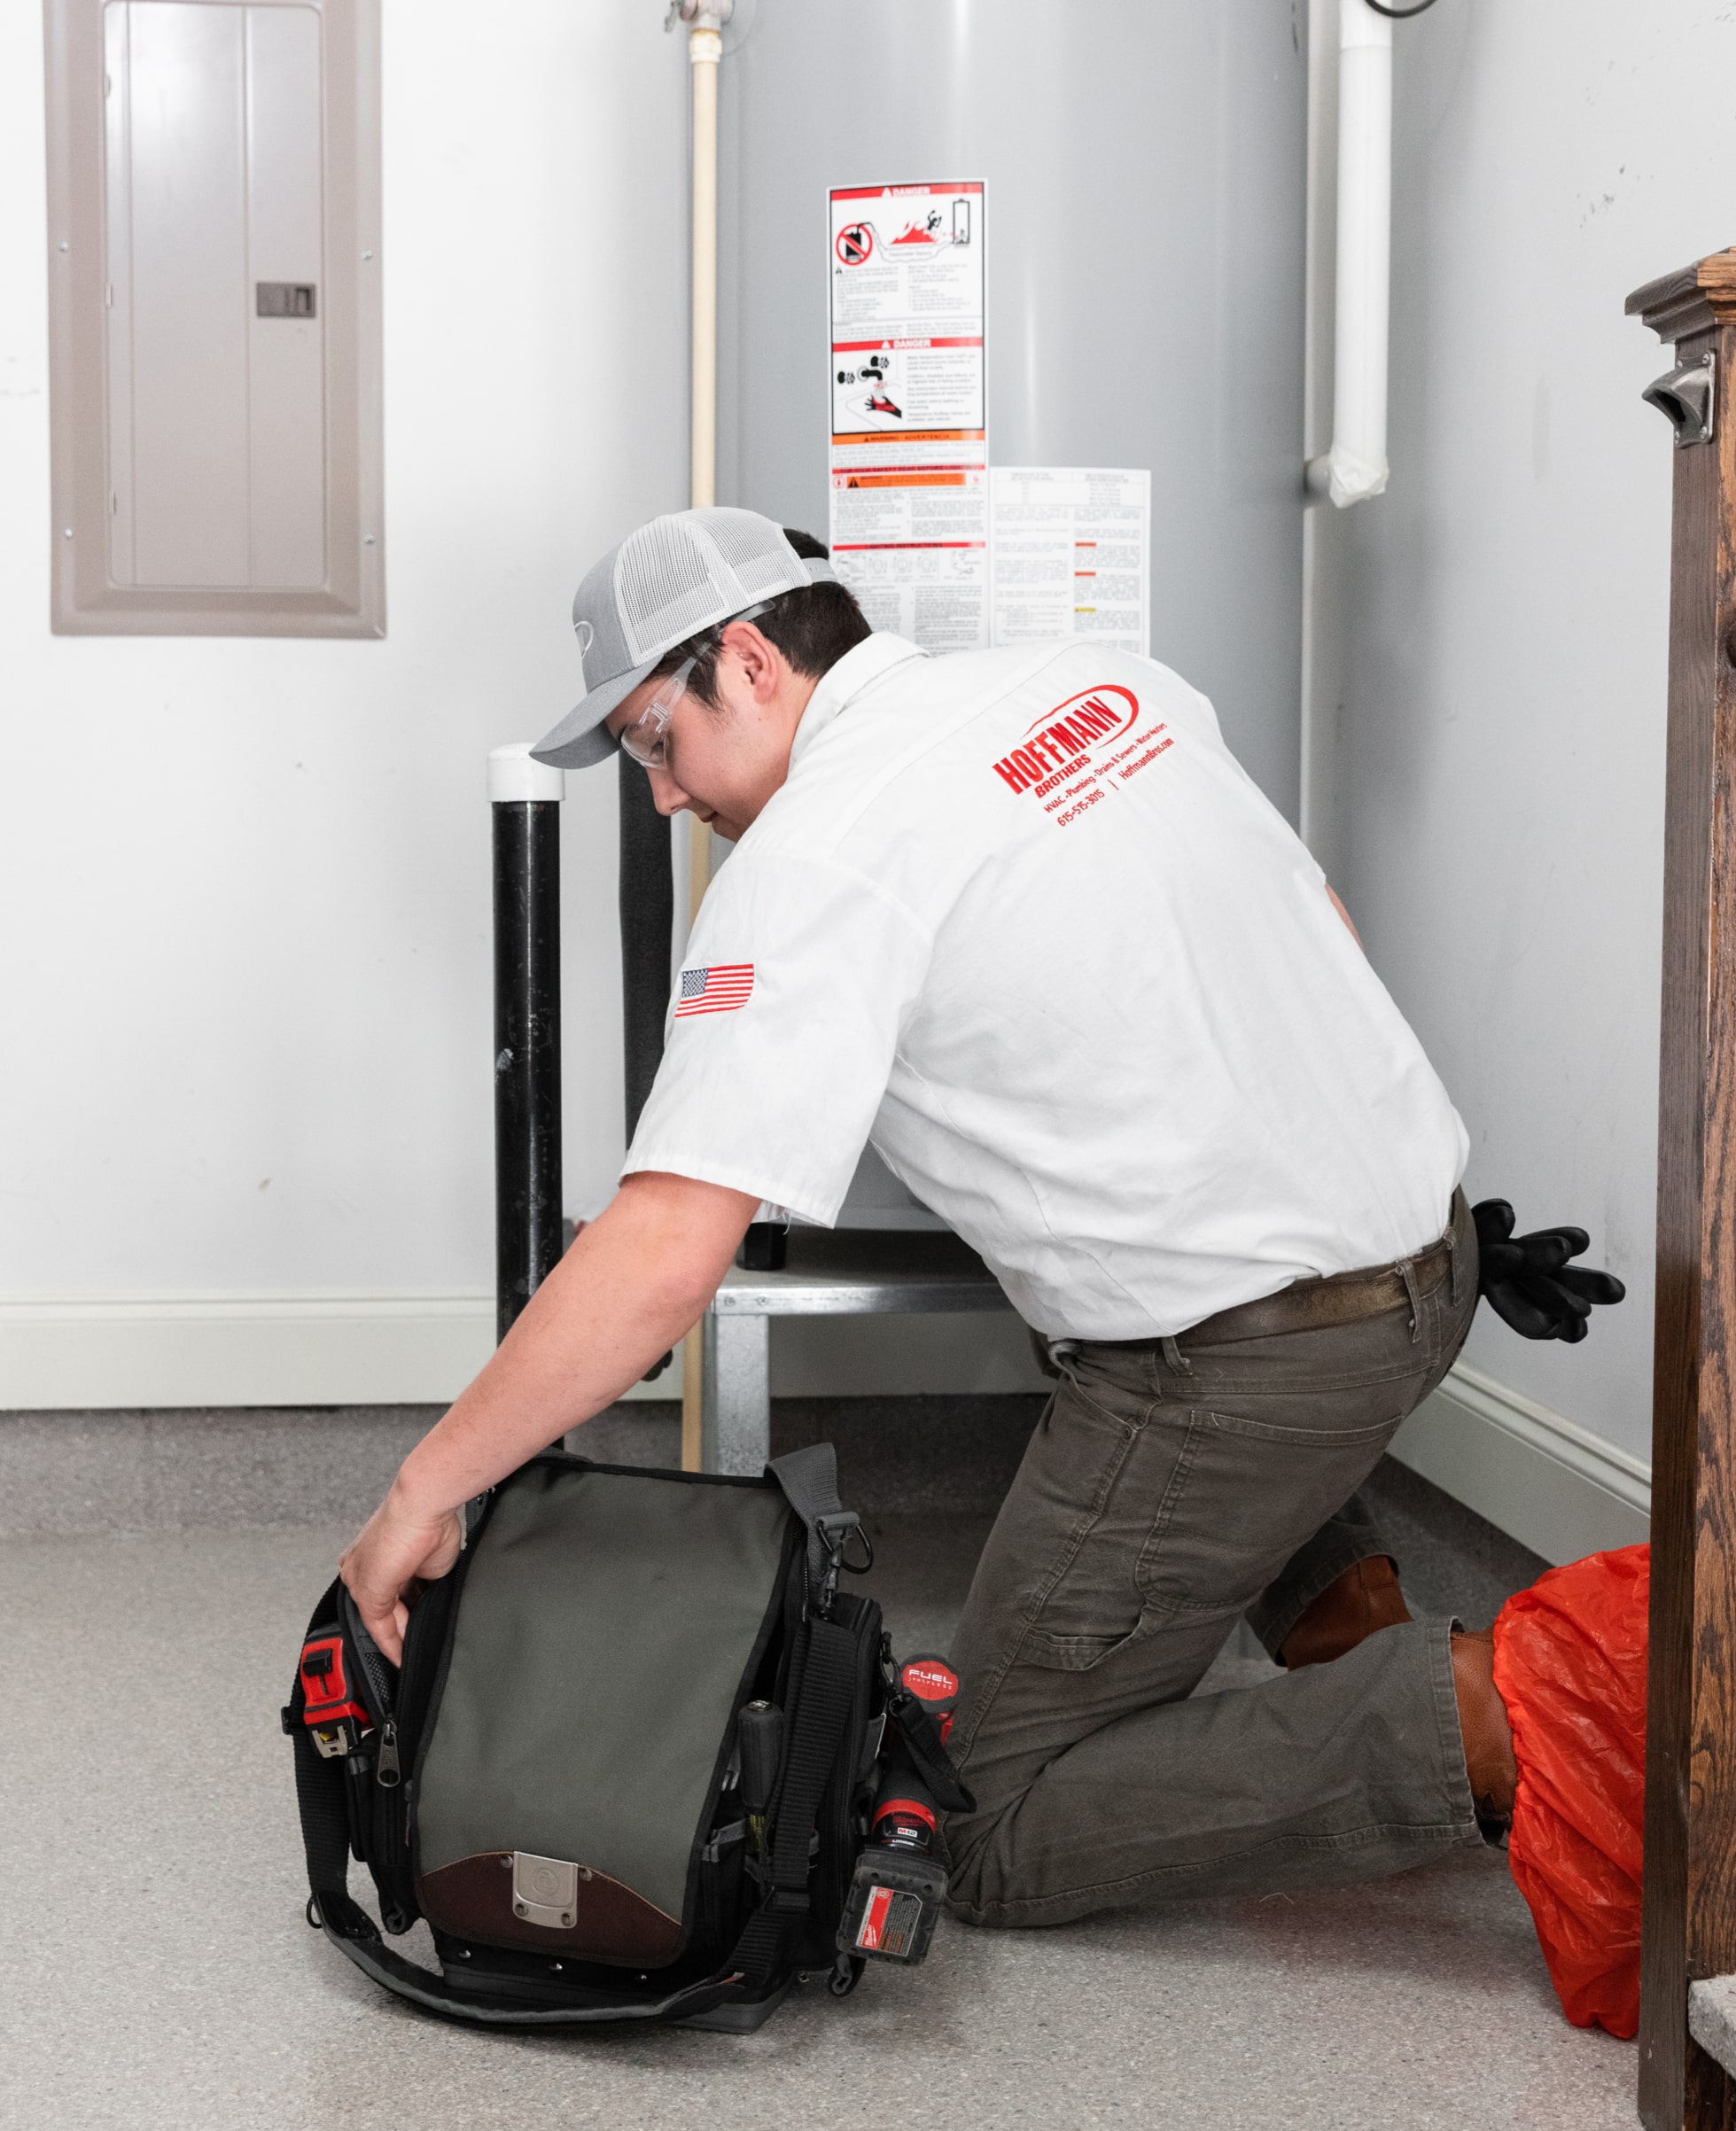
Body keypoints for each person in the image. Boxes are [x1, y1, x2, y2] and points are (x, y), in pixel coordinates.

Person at [341, 505, 1520, 1931]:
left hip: (1250, 1365)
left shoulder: (809, 860)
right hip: (1438, 1262)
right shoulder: (1102, 683)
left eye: (657, 741)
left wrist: (423, 1490)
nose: (661, 797)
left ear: (751, 661)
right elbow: (1307, 922)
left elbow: (662, 1254)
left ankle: (1489, 1716)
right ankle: (1365, 1642)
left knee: (982, 1821)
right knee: (1079, 1305)